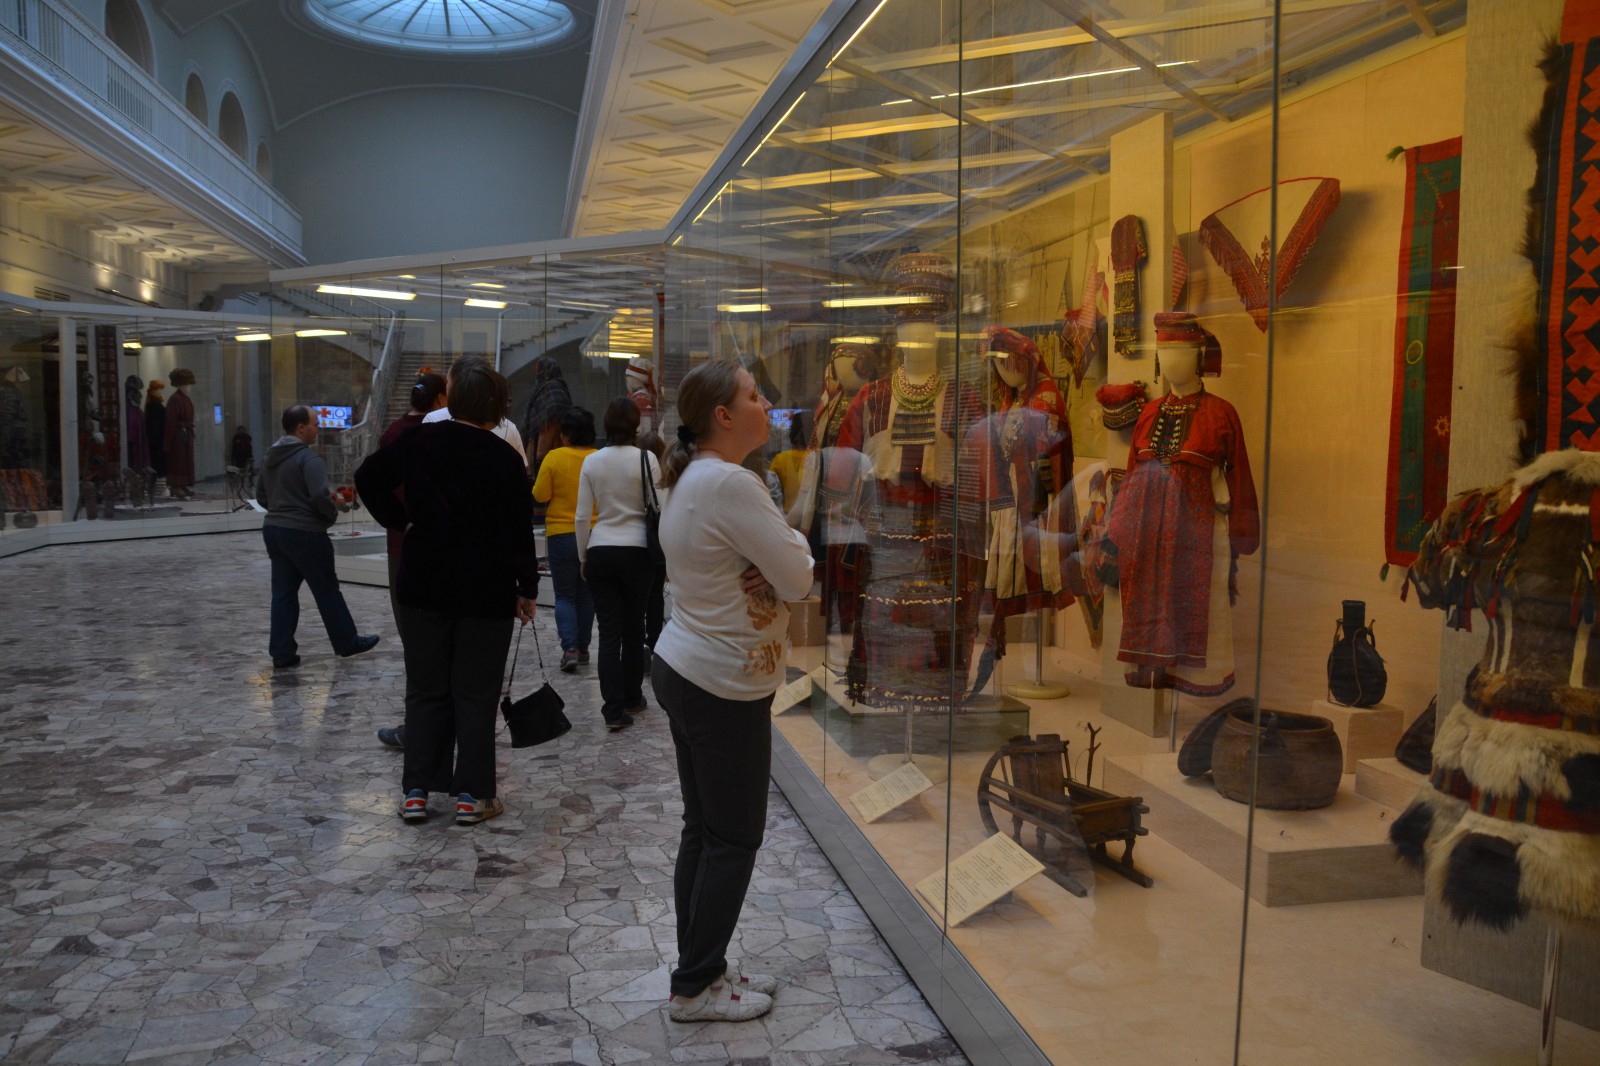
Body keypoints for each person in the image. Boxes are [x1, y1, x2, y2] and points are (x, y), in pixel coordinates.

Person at [651, 362, 813, 1023]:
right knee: (733, 838)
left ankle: (703, 967)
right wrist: (786, 555)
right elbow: (799, 578)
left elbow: (781, 565)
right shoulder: (731, 483)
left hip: (691, 667)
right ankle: (694, 988)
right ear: (723, 416)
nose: (766, 403)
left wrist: (778, 557)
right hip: (719, 681)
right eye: (753, 396)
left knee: (707, 830)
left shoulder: (696, 475)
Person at [355, 356, 537, 826]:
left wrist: (401, 521)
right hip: (485, 588)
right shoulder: (504, 457)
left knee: (425, 689)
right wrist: (527, 586)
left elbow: (367, 478)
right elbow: (519, 531)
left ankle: (416, 791)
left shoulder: (418, 440)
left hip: (424, 581)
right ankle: (473, 796)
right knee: (476, 693)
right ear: (494, 404)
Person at [256, 405, 380, 669]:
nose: (318, 429)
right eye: (315, 424)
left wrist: (281, 509)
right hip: (305, 533)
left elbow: (261, 496)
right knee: (326, 590)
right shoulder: (309, 459)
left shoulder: (270, 456)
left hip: (275, 530)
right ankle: (347, 641)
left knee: (283, 593)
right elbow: (319, 497)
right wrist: (329, 516)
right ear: (301, 428)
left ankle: (282, 652)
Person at [575, 397, 659, 731]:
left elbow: (582, 517)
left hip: (601, 549)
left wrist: (583, 556)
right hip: (638, 551)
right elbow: (661, 506)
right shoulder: (646, 459)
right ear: (636, 424)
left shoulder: (592, 461)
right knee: (634, 627)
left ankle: (611, 710)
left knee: (608, 633)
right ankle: (632, 697)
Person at [533, 406, 597, 672]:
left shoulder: (554, 458)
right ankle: (583, 648)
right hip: (593, 534)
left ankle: (569, 648)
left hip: (561, 534)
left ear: (566, 434)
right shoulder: (598, 458)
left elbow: (539, 495)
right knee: (586, 595)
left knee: (564, 595)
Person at [638, 429, 668, 656]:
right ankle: (655, 637)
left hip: (640, 537)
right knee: (656, 592)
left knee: (641, 592)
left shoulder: (636, 469)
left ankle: (638, 638)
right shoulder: (669, 475)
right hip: (660, 538)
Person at [165, 368, 197, 498]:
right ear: (180, 384)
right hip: (178, 435)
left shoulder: (185, 399)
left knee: (186, 460)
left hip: (185, 433)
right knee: (178, 460)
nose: (188, 387)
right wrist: (169, 440)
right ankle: (176, 486)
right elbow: (170, 421)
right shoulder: (174, 400)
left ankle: (183, 484)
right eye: (186, 384)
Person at [768, 413, 808, 512]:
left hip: (786, 515)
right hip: (813, 517)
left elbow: (771, 491)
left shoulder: (780, 459)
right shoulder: (819, 457)